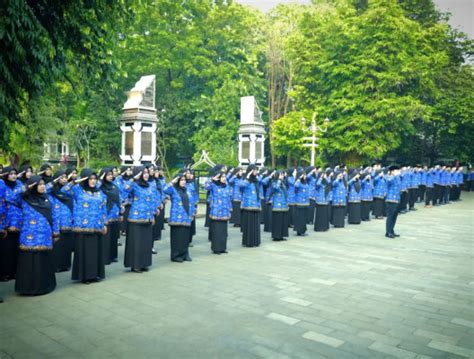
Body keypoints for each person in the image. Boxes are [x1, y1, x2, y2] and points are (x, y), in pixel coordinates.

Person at [62, 169, 107, 284]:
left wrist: (104, 223)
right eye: (90, 179)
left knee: (95, 252)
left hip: (97, 226)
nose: (92, 181)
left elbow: (103, 208)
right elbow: (64, 189)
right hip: (83, 227)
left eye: (94, 179)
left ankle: (95, 274)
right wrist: (75, 181)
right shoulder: (78, 190)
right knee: (84, 253)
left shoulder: (99, 192)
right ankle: (85, 276)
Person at [15, 176, 57, 295]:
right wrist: (26, 187)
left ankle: (44, 287)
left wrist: (56, 232)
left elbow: (54, 216)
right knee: (29, 263)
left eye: (43, 184)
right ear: (33, 186)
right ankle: (27, 288)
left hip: (45, 236)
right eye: (39, 184)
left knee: (43, 262)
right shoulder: (24, 199)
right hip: (29, 237)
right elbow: (11, 196)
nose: (42, 186)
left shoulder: (48, 198)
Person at [123, 166, 157, 272]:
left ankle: (144, 263)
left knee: (146, 243)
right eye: (143, 173)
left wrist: (152, 215)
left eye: (147, 173)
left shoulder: (150, 186)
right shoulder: (135, 185)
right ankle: (135, 264)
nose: (146, 175)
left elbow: (152, 201)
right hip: (136, 218)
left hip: (147, 218)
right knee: (136, 243)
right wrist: (134, 178)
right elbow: (125, 188)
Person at [164, 172, 195, 262]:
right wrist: (172, 181)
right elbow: (164, 189)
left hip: (186, 217)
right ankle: (176, 255)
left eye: (184, 180)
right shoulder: (173, 189)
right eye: (181, 180)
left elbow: (191, 202)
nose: (183, 182)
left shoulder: (187, 190)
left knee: (185, 237)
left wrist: (192, 213)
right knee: (177, 238)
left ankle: (185, 254)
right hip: (177, 218)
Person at [0, 166, 23, 282]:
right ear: (5, 175)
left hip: (19, 220)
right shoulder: (2, 186)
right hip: (6, 221)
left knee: (16, 248)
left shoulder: (20, 185)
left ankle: (14, 272)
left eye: (15, 173)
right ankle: (4, 273)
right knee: (5, 249)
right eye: (11, 174)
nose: (13, 175)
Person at [49, 170, 74, 272]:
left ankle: (65, 265)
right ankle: (56, 266)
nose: (64, 180)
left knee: (67, 245)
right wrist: (53, 182)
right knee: (58, 246)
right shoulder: (51, 192)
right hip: (57, 223)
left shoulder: (68, 191)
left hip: (68, 222)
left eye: (65, 178)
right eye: (61, 178)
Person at [205, 170, 232, 254]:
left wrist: (230, 208)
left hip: (225, 212)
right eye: (222, 177)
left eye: (225, 177)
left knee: (224, 231)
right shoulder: (213, 185)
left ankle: (223, 248)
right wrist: (213, 179)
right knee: (217, 231)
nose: (224, 178)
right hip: (216, 212)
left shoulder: (227, 186)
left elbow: (229, 198)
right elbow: (206, 186)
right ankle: (216, 248)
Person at [99, 167, 122, 264]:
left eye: (111, 174)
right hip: (106, 215)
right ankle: (105, 258)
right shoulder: (100, 187)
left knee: (113, 237)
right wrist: (100, 179)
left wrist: (121, 212)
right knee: (106, 238)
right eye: (108, 175)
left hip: (115, 214)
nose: (110, 176)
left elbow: (119, 199)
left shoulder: (114, 186)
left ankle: (113, 256)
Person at [237, 164, 262, 247]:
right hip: (248, 205)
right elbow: (241, 185)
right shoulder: (245, 179)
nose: (256, 172)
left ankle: (255, 241)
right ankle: (248, 242)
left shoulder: (256, 180)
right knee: (249, 224)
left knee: (255, 224)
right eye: (254, 170)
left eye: (256, 170)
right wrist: (247, 177)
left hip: (256, 205)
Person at [269, 170, 290, 241]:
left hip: (283, 204)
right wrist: (279, 180)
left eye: (283, 175)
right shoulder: (274, 182)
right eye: (281, 175)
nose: (282, 176)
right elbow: (276, 188)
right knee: (277, 221)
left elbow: (286, 194)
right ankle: (276, 236)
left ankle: (281, 235)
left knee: (282, 221)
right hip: (277, 205)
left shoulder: (283, 183)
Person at [294, 168, 311, 236]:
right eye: (303, 175)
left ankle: (303, 231)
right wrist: (299, 178)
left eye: (305, 175)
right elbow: (296, 185)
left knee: (304, 218)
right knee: (300, 217)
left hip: (305, 202)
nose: (305, 176)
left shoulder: (305, 182)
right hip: (299, 202)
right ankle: (299, 231)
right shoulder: (298, 182)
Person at [385, 165, 401, 238]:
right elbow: (389, 181)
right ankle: (388, 232)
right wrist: (394, 175)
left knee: (394, 216)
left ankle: (391, 230)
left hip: (396, 199)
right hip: (390, 199)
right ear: (392, 171)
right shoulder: (389, 176)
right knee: (390, 216)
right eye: (397, 171)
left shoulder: (397, 178)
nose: (398, 172)